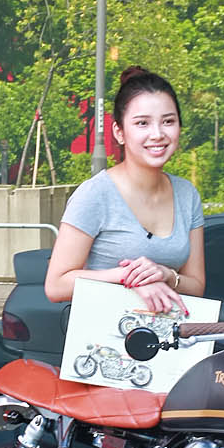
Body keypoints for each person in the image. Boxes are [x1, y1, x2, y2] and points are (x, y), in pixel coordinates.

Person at [45, 66, 205, 311]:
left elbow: (196, 285)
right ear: (119, 132)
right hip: (103, 342)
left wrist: (165, 274)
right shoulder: (95, 194)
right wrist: (127, 278)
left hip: (171, 343)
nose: (158, 134)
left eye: (168, 121)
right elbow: (56, 286)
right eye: (142, 123)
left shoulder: (187, 194)